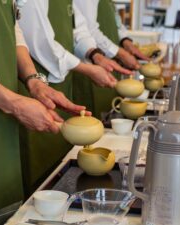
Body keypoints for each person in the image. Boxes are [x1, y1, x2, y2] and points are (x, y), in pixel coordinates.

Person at [0, 1, 86, 224]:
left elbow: (12, 24)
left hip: (1, 120)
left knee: (5, 209)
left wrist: (34, 81)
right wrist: (13, 102)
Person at [18, 0, 133, 195]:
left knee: (61, 158)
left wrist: (96, 56)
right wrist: (86, 67)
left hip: (61, 81)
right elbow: (40, 42)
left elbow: (79, 29)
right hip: (35, 83)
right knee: (39, 167)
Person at [74, 0, 149, 118]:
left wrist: (125, 41)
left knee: (109, 111)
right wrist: (120, 53)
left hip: (107, 62)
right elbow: (88, 29)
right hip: (91, 63)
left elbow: (116, 20)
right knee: (91, 117)